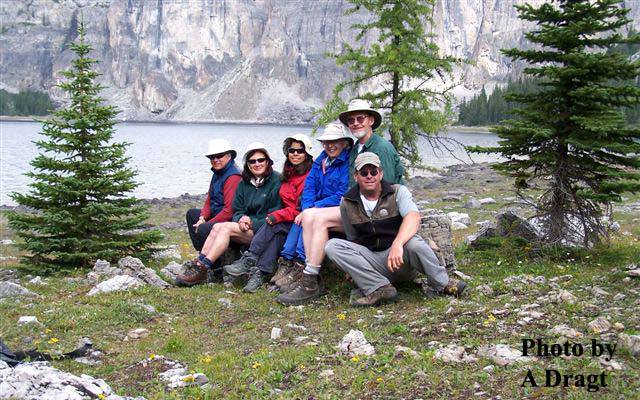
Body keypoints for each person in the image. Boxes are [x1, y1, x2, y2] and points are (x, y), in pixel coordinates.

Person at [325, 152, 466, 306]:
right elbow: (353, 238)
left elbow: (413, 217)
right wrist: (352, 267)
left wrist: (397, 244)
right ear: (356, 176)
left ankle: (443, 283)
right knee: (332, 246)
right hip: (373, 263)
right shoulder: (347, 202)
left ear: (380, 174)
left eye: (373, 172)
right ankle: (379, 288)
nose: (369, 176)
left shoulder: (398, 192)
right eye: (364, 173)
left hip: (401, 260)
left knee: (414, 243)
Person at [175, 142, 282, 286]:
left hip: (265, 230)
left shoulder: (276, 180)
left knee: (223, 227)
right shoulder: (245, 182)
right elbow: (237, 209)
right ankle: (200, 264)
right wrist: (241, 219)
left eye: (260, 160)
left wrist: (250, 222)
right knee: (216, 227)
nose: (257, 164)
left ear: (268, 161)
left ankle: (206, 267)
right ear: (247, 164)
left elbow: (275, 214)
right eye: (252, 161)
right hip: (245, 227)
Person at [223, 134, 314, 293]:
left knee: (273, 223)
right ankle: (260, 273)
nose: (295, 154)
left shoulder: (308, 175)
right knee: (276, 232)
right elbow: (237, 208)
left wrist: (277, 215)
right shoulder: (288, 173)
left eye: (300, 150)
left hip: (300, 220)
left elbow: (301, 207)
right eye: (291, 150)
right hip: (288, 219)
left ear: (307, 153)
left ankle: (251, 259)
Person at [275, 122, 352, 305]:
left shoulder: (346, 163)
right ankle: (302, 271)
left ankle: (305, 271)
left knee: (309, 218)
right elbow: (309, 188)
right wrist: (308, 208)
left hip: (334, 209)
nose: (330, 145)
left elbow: (342, 193)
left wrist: (315, 207)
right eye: (326, 142)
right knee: (304, 217)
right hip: (317, 208)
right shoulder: (320, 161)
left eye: (335, 142)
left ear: (344, 143)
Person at [185, 139, 241, 253]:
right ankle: (202, 252)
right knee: (192, 214)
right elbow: (209, 200)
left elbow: (229, 211)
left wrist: (208, 223)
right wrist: (202, 218)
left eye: (219, 156)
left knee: (203, 228)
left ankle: (211, 258)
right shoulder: (218, 173)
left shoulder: (233, 177)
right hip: (218, 215)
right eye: (212, 157)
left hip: (230, 222)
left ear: (229, 156)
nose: (215, 160)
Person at [338, 99, 404, 184]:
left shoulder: (382, 149)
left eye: (360, 119)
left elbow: (387, 186)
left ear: (371, 121)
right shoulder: (354, 149)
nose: (355, 123)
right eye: (351, 120)